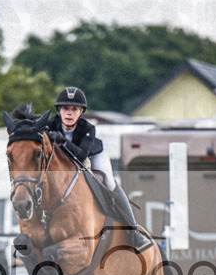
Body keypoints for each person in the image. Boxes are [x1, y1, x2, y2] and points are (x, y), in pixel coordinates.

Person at [47, 87, 150, 250]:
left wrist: (63, 142)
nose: (69, 113)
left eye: (74, 109)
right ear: (59, 110)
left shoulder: (88, 128)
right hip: (64, 165)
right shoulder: (49, 124)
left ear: (81, 112)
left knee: (109, 182)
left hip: (92, 157)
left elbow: (81, 156)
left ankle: (134, 231)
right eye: (65, 108)